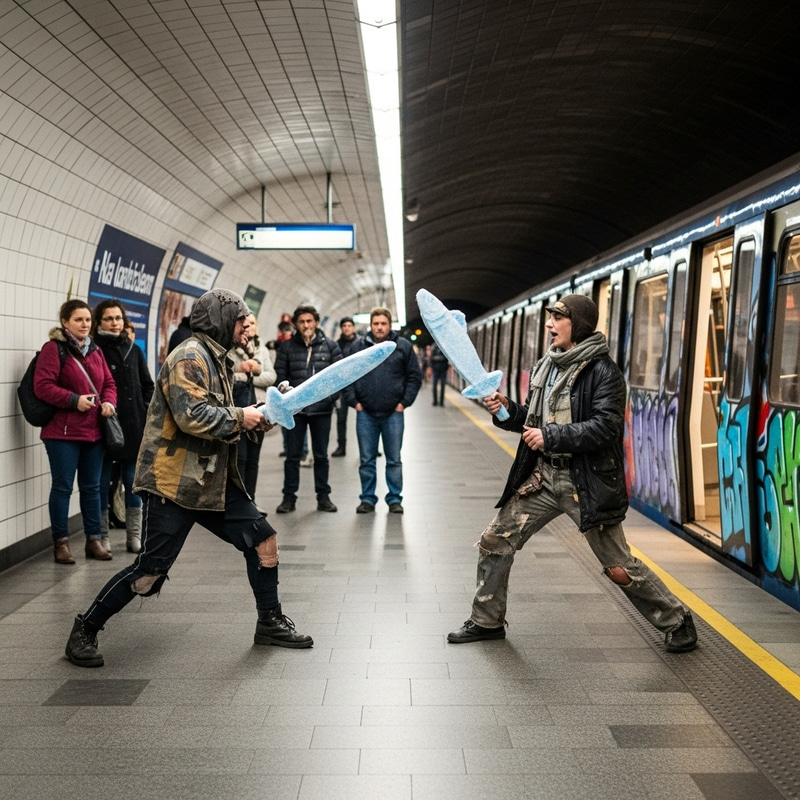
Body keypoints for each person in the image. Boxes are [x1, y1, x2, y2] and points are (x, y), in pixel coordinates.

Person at [64, 289, 312, 668]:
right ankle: (85, 628)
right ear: (221, 321)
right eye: (242, 321)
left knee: (264, 542)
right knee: (150, 572)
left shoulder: (220, 359)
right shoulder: (190, 357)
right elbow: (192, 416)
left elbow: (223, 412)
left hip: (211, 480)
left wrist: (265, 411)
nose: (247, 328)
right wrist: (241, 417)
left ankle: (270, 621)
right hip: (174, 483)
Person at [446, 295, 698, 654]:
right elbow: (531, 423)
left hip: (586, 482)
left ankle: (676, 619)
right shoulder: (545, 368)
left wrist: (551, 436)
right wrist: (506, 410)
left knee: (618, 566)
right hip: (543, 477)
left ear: (577, 324)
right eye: (550, 318)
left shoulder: (604, 373)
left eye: (557, 319)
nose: (550, 325)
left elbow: (605, 428)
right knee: (495, 541)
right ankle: (487, 621)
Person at [34, 299, 118, 564]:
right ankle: (61, 543)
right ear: (65, 322)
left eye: (88, 320)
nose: (84, 325)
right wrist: (74, 400)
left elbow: (109, 383)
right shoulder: (54, 349)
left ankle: (93, 540)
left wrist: (109, 402)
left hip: (93, 432)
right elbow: (43, 386)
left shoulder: (95, 350)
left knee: (92, 488)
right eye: (78, 320)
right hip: (62, 433)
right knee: (62, 487)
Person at [344, 307, 422, 515]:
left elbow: (414, 377)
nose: (379, 327)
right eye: (376, 323)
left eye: (383, 324)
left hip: (393, 414)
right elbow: (346, 375)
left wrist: (403, 403)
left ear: (390, 325)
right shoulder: (357, 347)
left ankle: (394, 499)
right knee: (366, 459)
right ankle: (367, 499)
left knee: (394, 459)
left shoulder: (402, 347)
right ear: (370, 325)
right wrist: (354, 402)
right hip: (365, 413)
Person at [91, 299, 154, 554]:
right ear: (99, 322)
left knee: (133, 481)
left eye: (118, 318)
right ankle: (102, 537)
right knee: (102, 482)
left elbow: (147, 383)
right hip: (103, 426)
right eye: (109, 319)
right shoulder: (94, 350)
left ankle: (134, 537)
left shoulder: (133, 349)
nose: (114, 323)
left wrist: (145, 408)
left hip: (133, 426)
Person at [273, 305, 342, 513]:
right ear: (296, 324)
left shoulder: (330, 346)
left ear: (316, 322)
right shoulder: (286, 348)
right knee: (293, 456)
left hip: (322, 410)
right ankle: (288, 498)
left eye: (309, 321)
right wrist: (283, 389)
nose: (306, 325)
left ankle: (323, 497)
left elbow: (339, 377)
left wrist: (330, 398)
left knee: (321, 455)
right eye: (302, 322)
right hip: (296, 411)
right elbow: (279, 376)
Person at [229, 313, 276, 498]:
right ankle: (240, 501)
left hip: (260, 409)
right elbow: (228, 376)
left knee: (253, 459)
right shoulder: (231, 348)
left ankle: (252, 499)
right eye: (246, 324)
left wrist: (251, 377)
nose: (249, 327)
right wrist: (244, 371)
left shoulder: (261, 349)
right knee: (240, 457)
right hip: (240, 408)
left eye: (253, 324)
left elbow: (271, 376)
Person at [331, 316, 361, 457]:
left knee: (364, 417)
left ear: (353, 327)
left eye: (349, 325)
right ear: (341, 328)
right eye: (344, 326)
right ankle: (341, 446)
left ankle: (367, 447)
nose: (347, 328)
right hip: (342, 386)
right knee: (341, 418)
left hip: (359, 385)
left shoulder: (361, 343)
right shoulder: (336, 345)